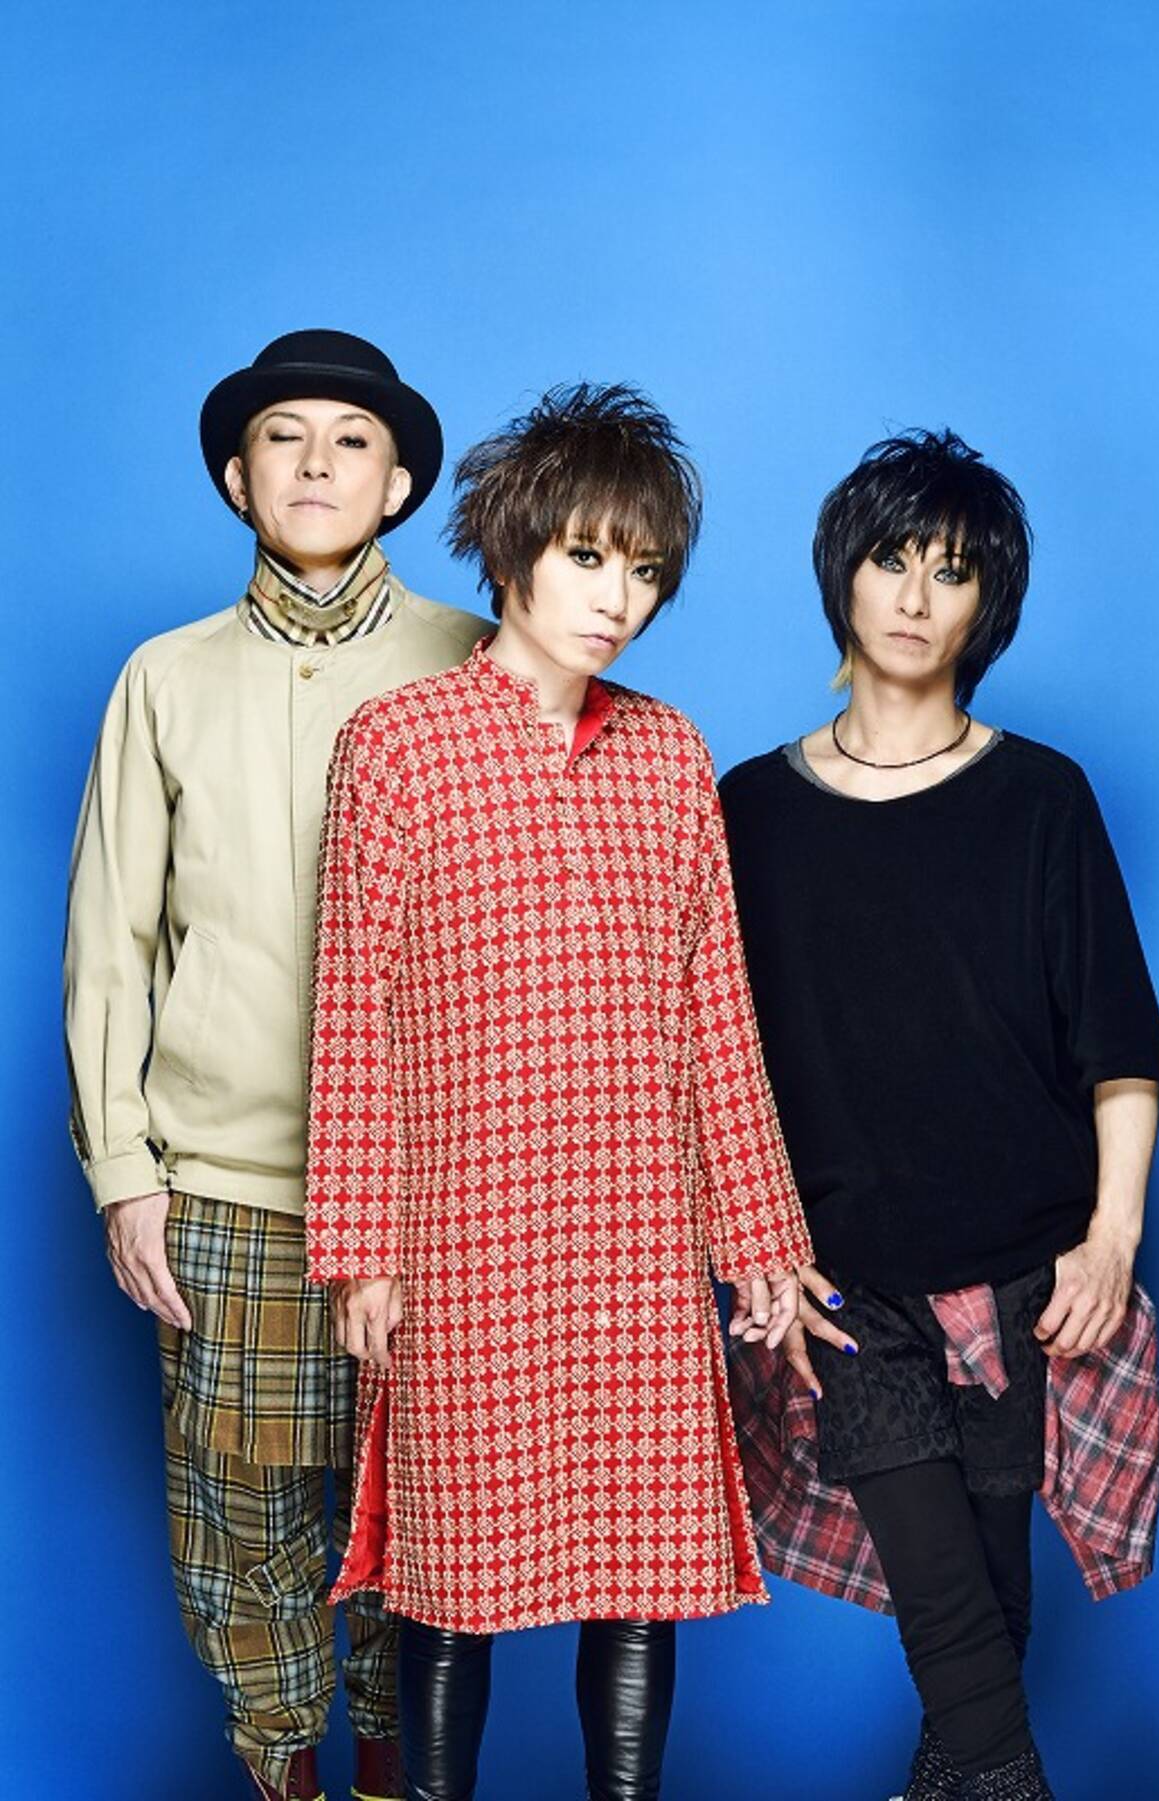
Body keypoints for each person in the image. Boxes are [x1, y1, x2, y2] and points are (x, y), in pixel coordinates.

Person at [305, 383, 851, 1801]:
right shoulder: (398, 744)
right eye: (590, 556)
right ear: (514, 547)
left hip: (636, 1240)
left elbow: (716, 1018)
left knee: (640, 1574)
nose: (619, 598)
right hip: (467, 1235)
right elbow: (354, 1014)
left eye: (647, 570)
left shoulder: (669, 755)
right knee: (450, 1578)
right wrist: (361, 1251)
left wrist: (762, 1244)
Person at [721, 428, 1159, 1800]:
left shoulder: (1043, 797)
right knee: (948, 1612)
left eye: (954, 571)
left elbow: (1119, 1049)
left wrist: (1111, 1241)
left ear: (989, 605)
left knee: (991, 1606)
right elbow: (710, 1061)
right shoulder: (748, 809)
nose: (917, 596)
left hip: (1029, 1276)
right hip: (846, 1285)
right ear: (843, 576)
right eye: (892, 560)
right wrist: (753, 1250)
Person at [64, 329, 489, 1801]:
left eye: (352, 439)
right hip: (229, 1185)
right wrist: (124, 1175)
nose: (317, 463)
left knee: (422, 1524)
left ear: (402, 482)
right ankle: (286, 1778)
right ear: (238, 480)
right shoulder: (165, 678)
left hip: (435, 1191)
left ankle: (390, 1774)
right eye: (283, 438)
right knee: (241, 1531)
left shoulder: (479, 659)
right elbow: (110, 945)